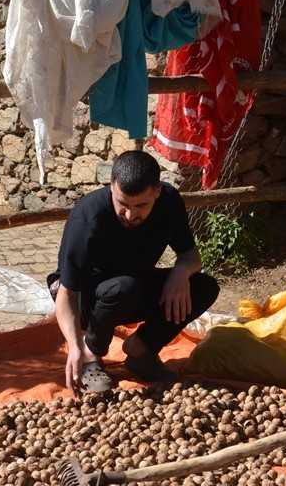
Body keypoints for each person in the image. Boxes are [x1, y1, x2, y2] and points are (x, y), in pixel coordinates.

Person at [49, 150, 220, 395]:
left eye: (141, 205)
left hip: (133, 287)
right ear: (111, 186)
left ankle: (141, 350)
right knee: (122, 288)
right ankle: (91, 354)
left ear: (158, 192)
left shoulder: (169, 201)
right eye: (122, 203)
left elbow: (190, 254)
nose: (130, 215)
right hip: (90, 302)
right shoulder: (88, 218)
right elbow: (66, 294)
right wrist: (74, 346)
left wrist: (181, 272)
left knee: (204, 287)